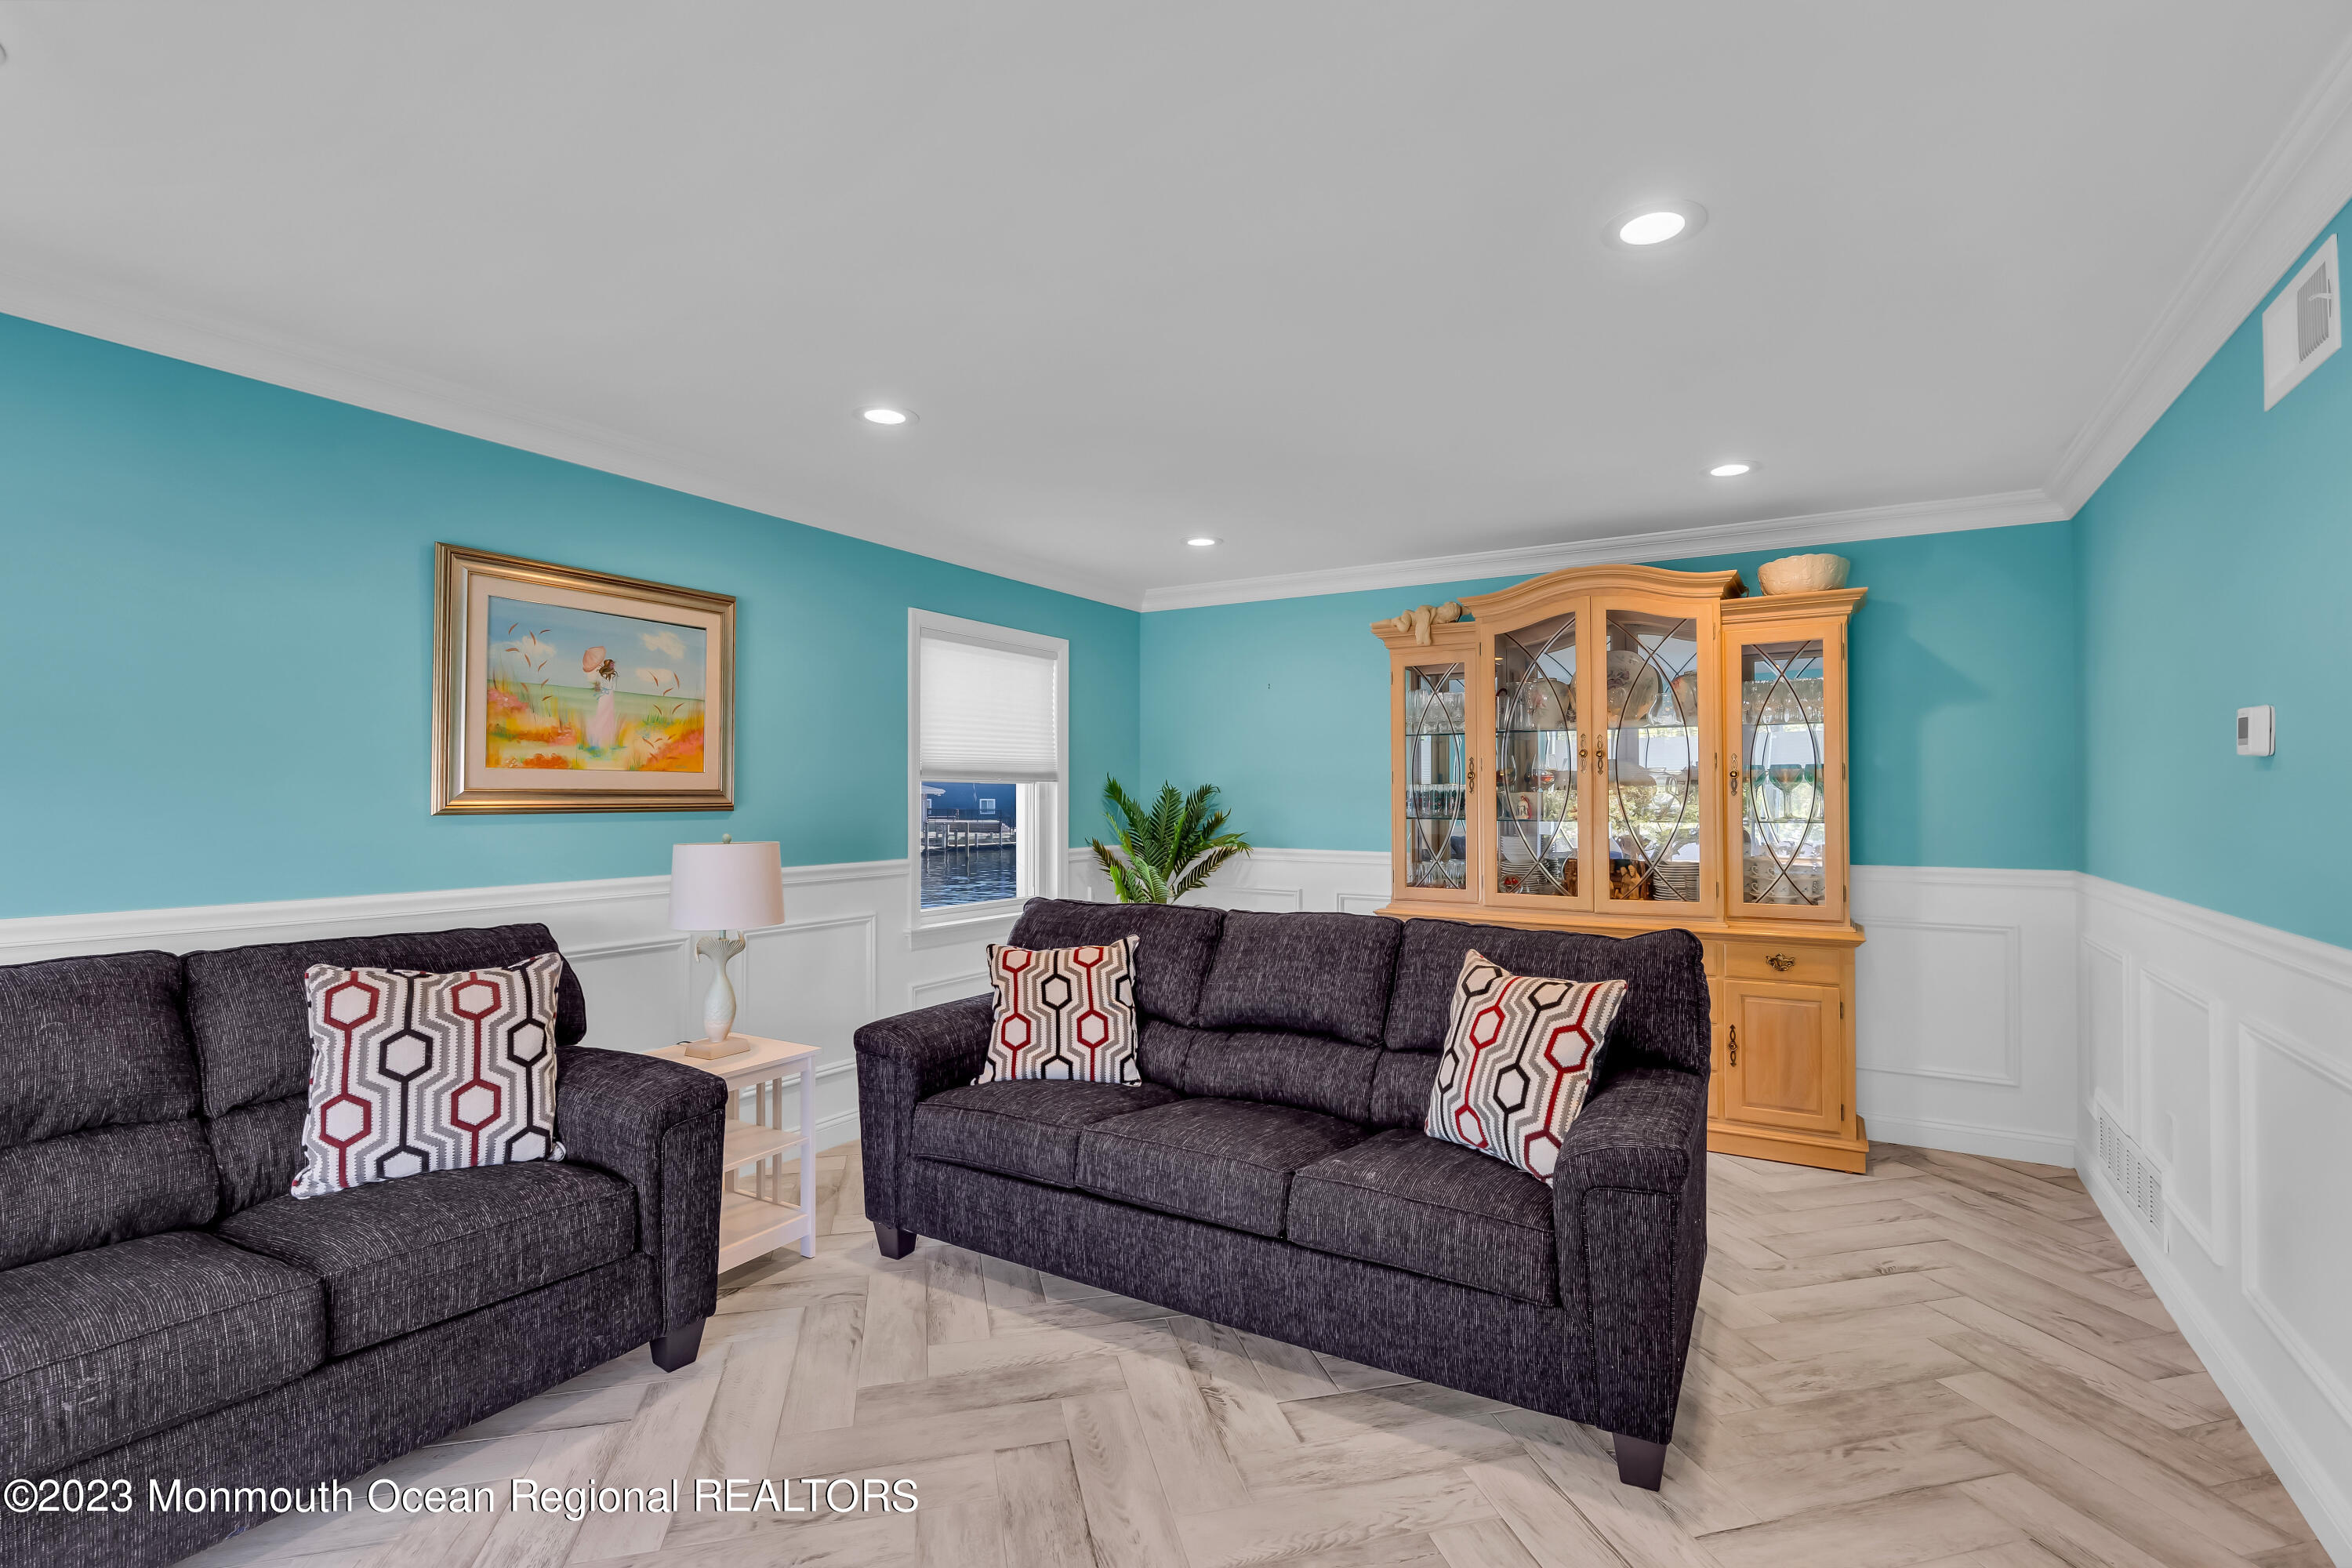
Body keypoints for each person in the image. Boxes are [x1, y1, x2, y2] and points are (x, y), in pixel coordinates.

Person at [583, 645, 619, 755]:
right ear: (609, 665)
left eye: (613, 665)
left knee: (606, 716)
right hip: (606, 695)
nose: (614, 666)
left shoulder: (606, 674)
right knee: (604, 716)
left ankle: (603, 741)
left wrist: (600, 686)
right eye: (612, 664)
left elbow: (603, 688)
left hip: (605, 696)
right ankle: (599, 740)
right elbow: (613, 687)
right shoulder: (608, 674)